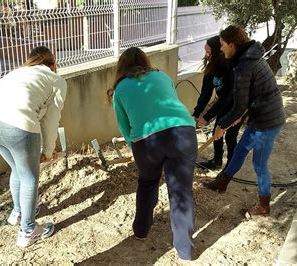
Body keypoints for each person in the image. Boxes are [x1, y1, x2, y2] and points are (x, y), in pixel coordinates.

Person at [108, 47, 197, 260]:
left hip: (147, 141)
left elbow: (124, 126)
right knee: (181, 192)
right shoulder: (162, 76)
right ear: (145, 61)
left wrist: (135, 148)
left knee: (147, 183)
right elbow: (171, 102)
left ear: (122, 66)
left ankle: (140, 231)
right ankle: (184, 250)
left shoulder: (120, 89)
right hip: (183, 132)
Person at [0, 46, 67, 247]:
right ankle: (28, 231)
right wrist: (48, 151)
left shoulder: (18, 73)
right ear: (53, 65)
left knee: (18, 168)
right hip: (18, 125)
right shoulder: (55, 79)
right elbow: (51, 118)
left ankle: (17, 213)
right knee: (30, 176)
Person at [204, 25, 285, 217]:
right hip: (259, 115)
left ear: (232, 45)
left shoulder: (244, 67)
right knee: (239, 151)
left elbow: (239, 105)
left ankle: (264, 206)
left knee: (259, 165)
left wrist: (221, 126)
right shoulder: (249, 57)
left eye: (223, 44)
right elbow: (252, 95)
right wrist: (236, 116)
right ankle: (221, 183)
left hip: (268, 122)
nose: (221, 48)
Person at [192, 35, 243, 170]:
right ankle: (217, 160)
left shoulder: (229, 67)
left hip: (237, 104)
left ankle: (230, 167)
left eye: (209, 52)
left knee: (231, 136)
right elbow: (205, 94)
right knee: (217, 131)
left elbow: (227, 97)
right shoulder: (211, 67)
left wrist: (207, 117)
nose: (206, 55)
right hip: (224, 104)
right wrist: (196, 114)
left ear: (217, 51)